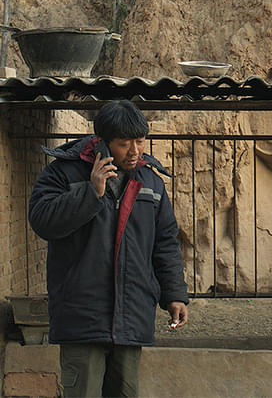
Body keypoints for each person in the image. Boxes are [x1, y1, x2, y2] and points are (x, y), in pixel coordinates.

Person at [28, 100, 189, 397]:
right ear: (101, 142)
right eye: (124, 143)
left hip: (131, 316)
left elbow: (164, 242)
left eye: (140, 141)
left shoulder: (151, 180)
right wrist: (91, 193)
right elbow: (41, 221)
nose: (135, 151)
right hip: (81, 315)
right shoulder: (64, 173)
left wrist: (174, 295)